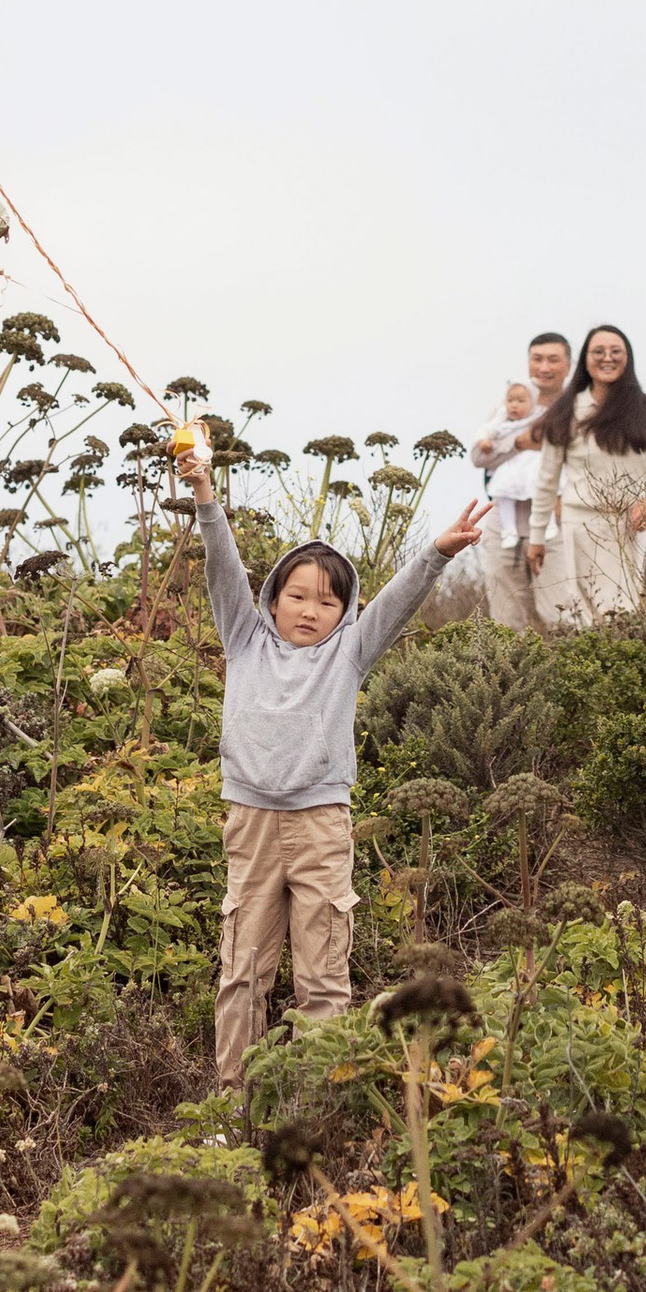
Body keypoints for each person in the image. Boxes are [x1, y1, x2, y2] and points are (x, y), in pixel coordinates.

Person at [185, 437, 486, 1083]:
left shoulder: (348, 652)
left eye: (327, 601)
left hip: (322, 825)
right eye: (298, 596)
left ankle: (319, 1106)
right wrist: (205, 493)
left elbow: (397, 603)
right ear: (271, 600)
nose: (310, 610)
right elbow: (221, 562)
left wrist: (436, 553)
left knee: (322, 977)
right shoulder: (242, 637)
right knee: (242, 974)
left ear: (344, 611)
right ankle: (232, 1111)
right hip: (252, 824)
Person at [527, 323, 646, 624]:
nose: (607, 358)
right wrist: (537, 537)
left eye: (615, 351)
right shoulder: (568, 411)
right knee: (585, 619)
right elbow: (546, 481)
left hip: (627, 530)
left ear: (627, 357)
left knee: (625, 615)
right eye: (598, 352)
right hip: (580, 527)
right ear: (586, 359)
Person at [471, 328, 572, 629]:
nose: (544, 367)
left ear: (568, 364)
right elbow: (479, 456)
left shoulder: (576, 408)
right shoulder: (512, 404)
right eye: (537, 359)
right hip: (505, 526)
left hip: (556, 526)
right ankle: (511, 676)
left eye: (553, 359)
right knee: (506, 618)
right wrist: (520, 443)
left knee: (561, 615)